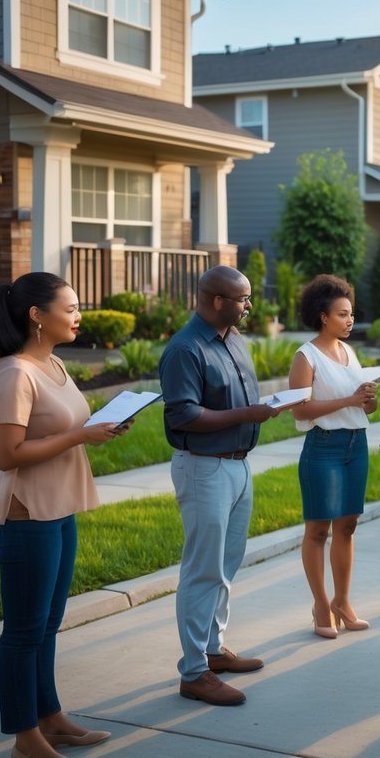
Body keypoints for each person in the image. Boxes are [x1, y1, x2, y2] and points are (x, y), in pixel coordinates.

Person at [0, 273, 130, 758]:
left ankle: (50, 718)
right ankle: (25, 742)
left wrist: (100, 427)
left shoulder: (52, 364)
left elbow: (68, 426)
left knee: (48, 624)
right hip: (26, 513)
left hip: (59, 506)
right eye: (69, 308)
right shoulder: (14, 373)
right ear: (36, 315)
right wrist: (79, 438)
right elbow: (7, 455)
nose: (78, 316)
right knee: (25, 630)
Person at [159, 265, 281, 707]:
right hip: (203, 468)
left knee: (226, 566)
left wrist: (260, 409)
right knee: (202, 570)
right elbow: (184, 416)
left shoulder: (234, 340)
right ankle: (193, 673)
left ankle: (212, 651)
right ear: (216, 301)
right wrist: (247, 416)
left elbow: (239, 402)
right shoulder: (185, 349)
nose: (249, 306)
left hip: (238, 466)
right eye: (242, 299)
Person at [288, 275, 378, 638]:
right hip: (323, 448)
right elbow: (300, 411)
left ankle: (343, 601)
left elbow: (362, 408)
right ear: (323, 316)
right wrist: (350, 400)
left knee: (347, 526)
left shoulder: (349, 352)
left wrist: (367, 402)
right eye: (343, 314)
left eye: (351, 314)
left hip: (356, 445)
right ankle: (321, 604)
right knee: (318, 529)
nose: (349, 320)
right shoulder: (305, 356)